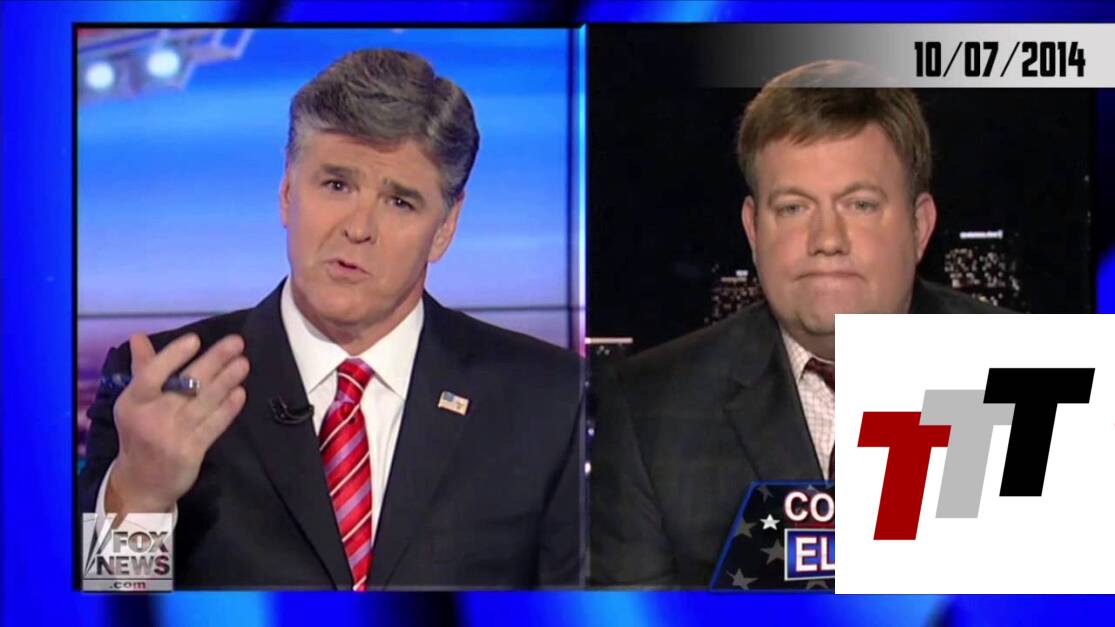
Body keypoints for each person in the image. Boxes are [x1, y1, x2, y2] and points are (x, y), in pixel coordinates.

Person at [78, 49, 583, 590]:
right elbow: (105, 605)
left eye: (400, 202)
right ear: (287, 191)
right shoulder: (160, 386)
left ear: (445, 227)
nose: (358, 228)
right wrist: (141, 496)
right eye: (336, 185)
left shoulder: (548, 398)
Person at [589, 60, 1003, 587]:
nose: (827, 239)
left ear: (919, 226)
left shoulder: (1027, 373)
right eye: (793, 208)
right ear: (753, 229)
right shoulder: (649, 410)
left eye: (860, 204)